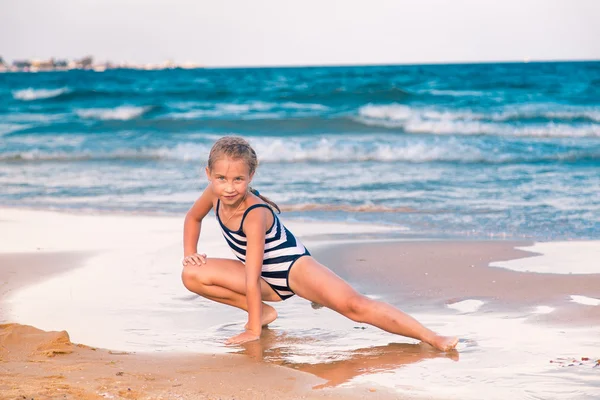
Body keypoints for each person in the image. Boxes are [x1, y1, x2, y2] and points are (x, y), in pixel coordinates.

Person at [181, 136, 458, 351]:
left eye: (238, 179)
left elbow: (251, 278)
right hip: (261, 278)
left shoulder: (255, 215)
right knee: (192, 273)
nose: (229, 187)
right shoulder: (214, 194)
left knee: (354, 307)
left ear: (250, 177)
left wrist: (252, 331)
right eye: (221, 179)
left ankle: (432, 337)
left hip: (294, 270)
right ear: (209, 174)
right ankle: (263, 312)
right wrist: (190, 253)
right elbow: (193, 218)